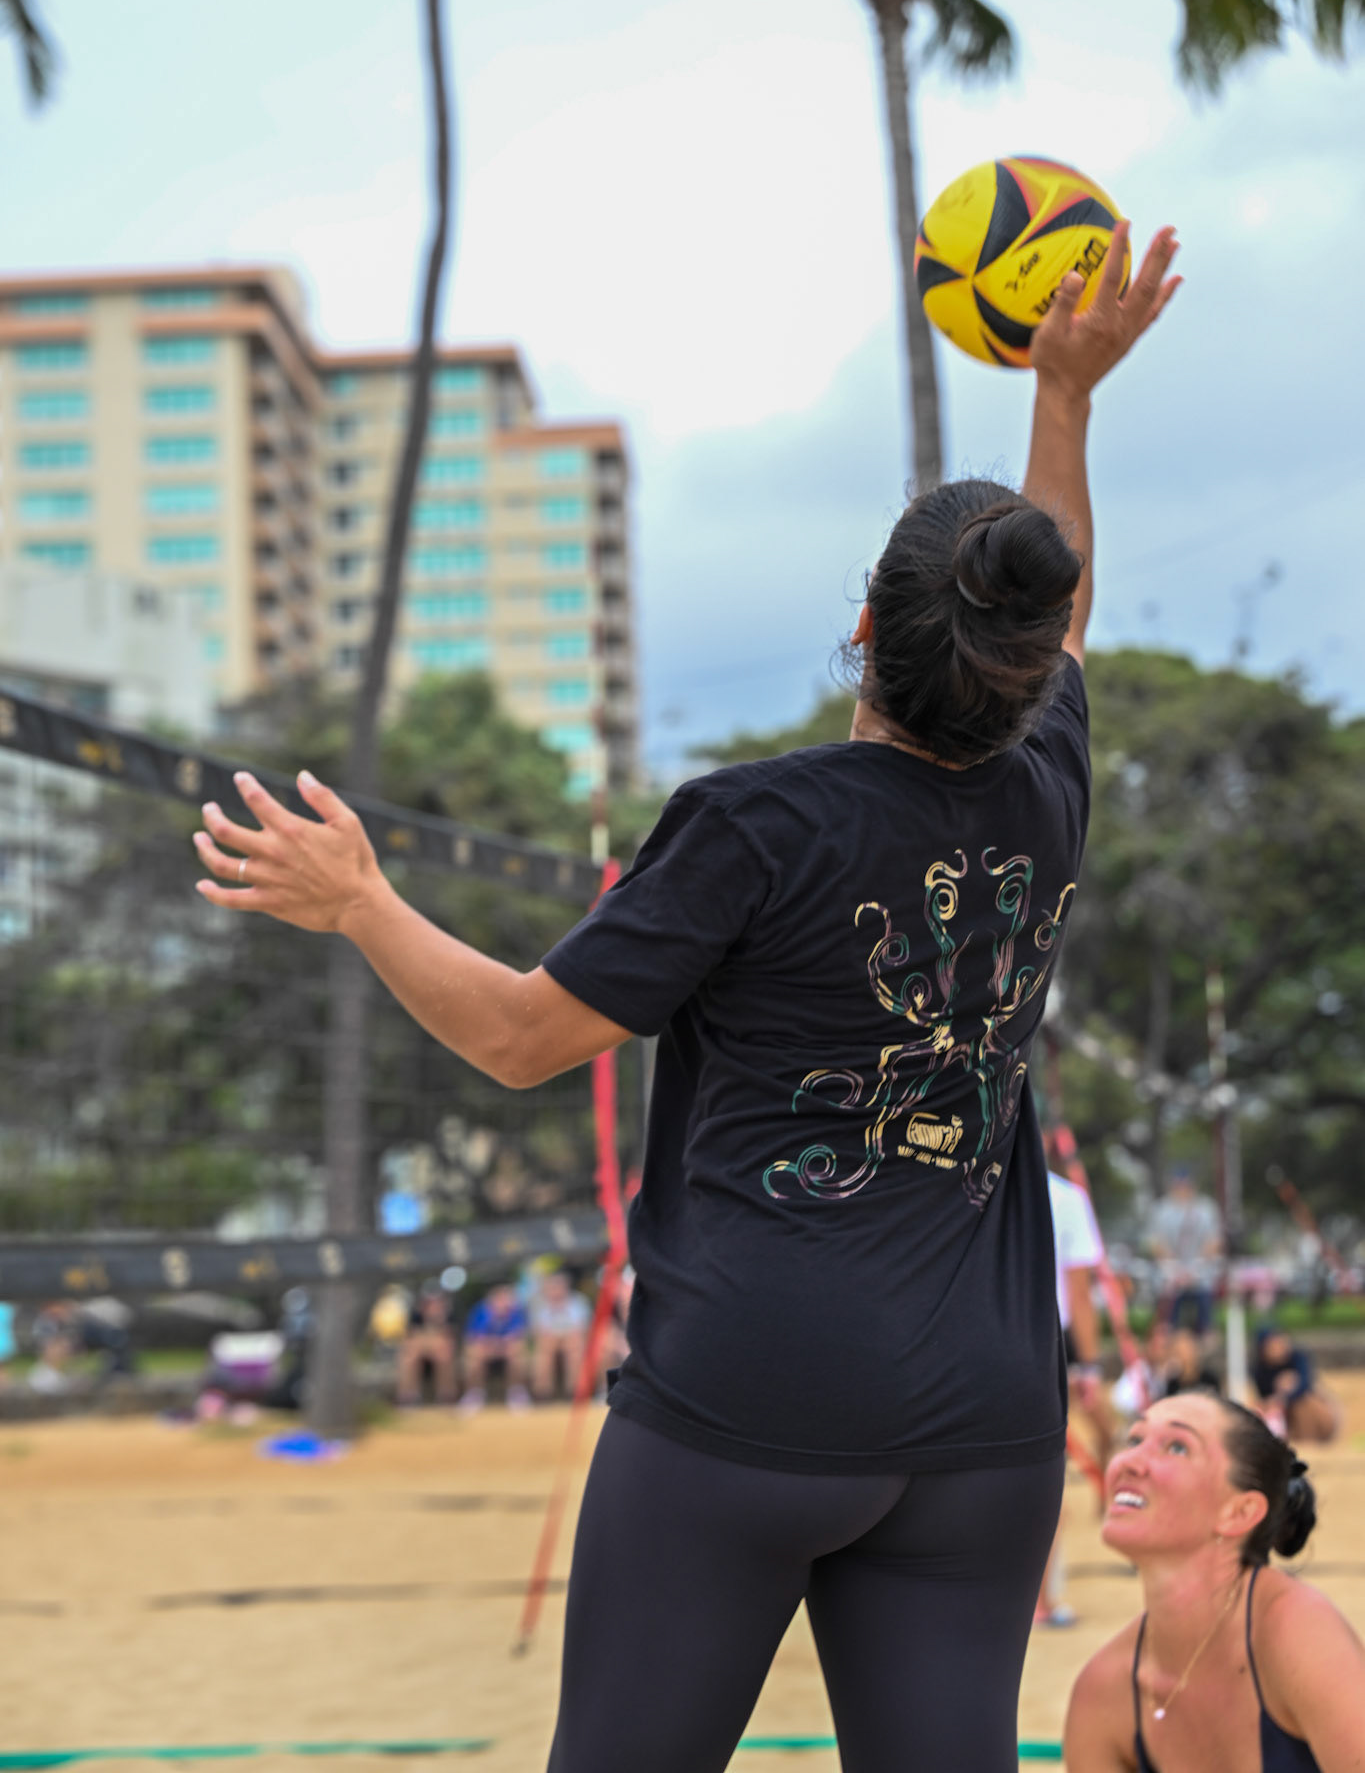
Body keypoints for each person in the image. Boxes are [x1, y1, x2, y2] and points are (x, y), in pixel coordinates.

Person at [191, 227, 1181, 1773]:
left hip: (748, 1403)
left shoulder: (756, 825)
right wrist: (1063, 398)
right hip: (981, 1420)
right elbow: (1058, 611)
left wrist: (359, 901)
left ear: (864, 625)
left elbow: (523, 1039)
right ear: (1031, 658)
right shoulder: (1049, 785)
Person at [1064, 1393, 1365, 1769]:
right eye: (1134, 1439)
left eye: (1176, 1447)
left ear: (1240, 1512)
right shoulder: (1103, 1691)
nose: (1130, 1461)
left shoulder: (1295, 1633)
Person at [1038, 1161, 1110, 1627]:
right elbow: (1079, 1295)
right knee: (1045, 1474)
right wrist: (1089, 1366)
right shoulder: (1064, 1198)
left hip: (967, 1344)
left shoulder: (965, 1178)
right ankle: (1045, 1600)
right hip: (1043, 1345)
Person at [1149, 1170, 1223, 1338]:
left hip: (1200, 1269)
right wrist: (1176, 1269)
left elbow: (1214, 1242)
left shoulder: (1206, 1208)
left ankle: (1207, 1331)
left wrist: (1195, 1268)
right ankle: (1166, 1331)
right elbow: (1156, 1243)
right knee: (1167, 1292)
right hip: (1171, 1270)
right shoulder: (1161, 1209)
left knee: (1205, 1290)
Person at [1251, 1326, 1340, 1446]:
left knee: (1303, 1403)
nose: (1279, 1347)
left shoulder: (1298, 1357)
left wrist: (1286, 1394)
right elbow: (1265, 1396)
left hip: (1314, 1416)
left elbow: (1305, 1384)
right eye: (1273, 1345)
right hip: (1283, 1415)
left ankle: (1308, 1440)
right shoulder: (1259, 1370)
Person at [459, 1282, 530, 1412]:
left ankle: (516, 1394)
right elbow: (473, 1339)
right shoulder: (480, 1311)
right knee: (474, 1354)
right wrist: (493, 1345)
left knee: (517, 1352)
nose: (506, 1301)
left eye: (507, 1298)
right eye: (502, 1298)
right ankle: (475, 1394)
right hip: (487, 1351)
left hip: (506, 1351)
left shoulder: (516, 1312)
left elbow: (518, 1337)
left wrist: (502, 1345)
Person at [527, 1270, 592, 1402]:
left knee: (575, 1349)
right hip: (548, 1343)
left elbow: (583, 1329)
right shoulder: (538, 1304)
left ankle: (574, 1392)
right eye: (552, 1286)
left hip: (572, 1342)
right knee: (543, 1350)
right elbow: (536, 1331)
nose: (555, 1290)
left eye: (559, 1286)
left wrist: (565, 1337)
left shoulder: (579, 1301)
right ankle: (542, 1393)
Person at [396, 1280, 458, 1407]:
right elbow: (410, 1340)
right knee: (408, 1358)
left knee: (444, 1356)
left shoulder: (448, 1315)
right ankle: (408, 1396)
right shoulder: (415, 1315)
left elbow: (449, 1339)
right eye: (430, 1302)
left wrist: (437, 1323)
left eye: (437, 1301)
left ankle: (446, 1395)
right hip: (420, 1354)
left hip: (440, 1353)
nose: (433, 1305)